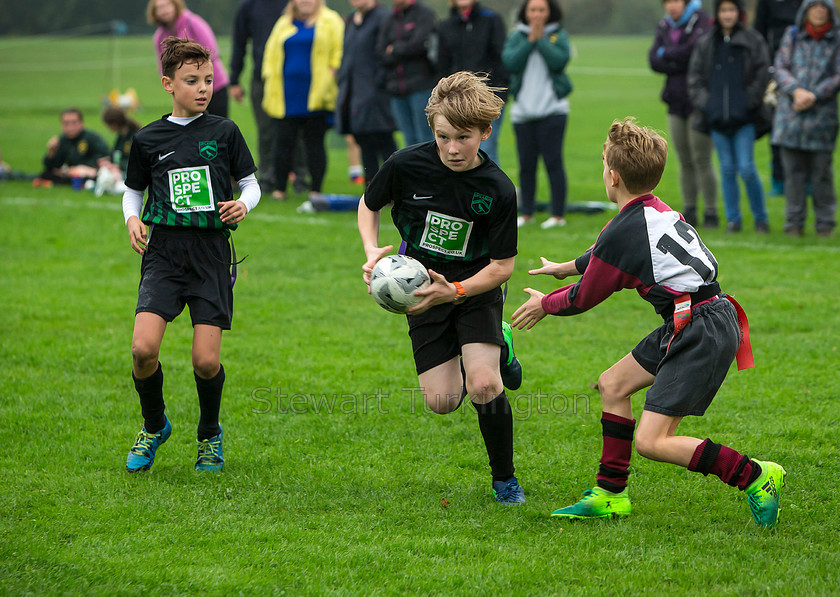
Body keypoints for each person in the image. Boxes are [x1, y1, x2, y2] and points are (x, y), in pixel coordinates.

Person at [511, 117, 786, 528]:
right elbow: (605, 252)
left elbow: (584, 297)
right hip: (700, 317)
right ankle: (610, 494)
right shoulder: (651, 208)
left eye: (604, 165)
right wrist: (565, 268)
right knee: (613, 384)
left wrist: (544, 305)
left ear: (613, 176)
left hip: (700, 328)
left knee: (652, 441)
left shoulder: (626, 228)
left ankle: (756, 475)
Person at [358, 72, 525, 504]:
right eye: (443, 136)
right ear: (432, 127)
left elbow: (503, 266)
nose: (452, 148)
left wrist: (457, 291)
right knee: (442, 400)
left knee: (484, 386)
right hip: (420, 289)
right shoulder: (406, 164)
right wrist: (372, 248)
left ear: (486, 133)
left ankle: (504, 479)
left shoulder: (498, 189)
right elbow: (369, 202)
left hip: (475, 287)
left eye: (464, 138)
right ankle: (493, 346)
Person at [121, 37, 260, 473]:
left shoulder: (225, 132)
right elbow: (132, 191)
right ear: (168, 84)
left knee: (205, 361)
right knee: (143, 350)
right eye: (191, 80)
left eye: (208, 79)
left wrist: (244, 204)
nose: (203, 88)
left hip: (211, 255)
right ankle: (154, 424)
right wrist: (132, 219)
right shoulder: (147, 138)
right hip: (163, 253)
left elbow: (250, 184)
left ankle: (209, 434)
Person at [688, 0, 771, 234]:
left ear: (739, 13)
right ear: (717, 13)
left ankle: (761, 218)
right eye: (723, 10)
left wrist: (748, 102)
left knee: (746, 168)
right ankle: (733, 219)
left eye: (732, 10)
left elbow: (762, 74)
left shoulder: (753, 41)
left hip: (744, 118)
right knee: (726, 169)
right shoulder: (707, 43)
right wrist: (709, 106)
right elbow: (695, 78)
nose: (728, 15)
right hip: (717, 121)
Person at [262, 0, 344, 203]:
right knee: (282, 143)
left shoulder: (331, 21)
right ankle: (280, 189)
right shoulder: (284, 22)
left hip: (316, 94)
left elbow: (339, 51)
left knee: (314, 143)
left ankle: (316, 189)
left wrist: (332, 74)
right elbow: (270, 54)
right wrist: (268, 77)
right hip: (286, 95)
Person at [771, 0, 840, 237]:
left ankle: (825, 223)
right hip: (791, 117)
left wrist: (813, 94)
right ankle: (793, 223)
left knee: (822, 174)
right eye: (815, 6)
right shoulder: (793, 35)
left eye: (824, 6)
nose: (819, 10)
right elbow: (780, 66)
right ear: (806, 10)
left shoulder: (836, 38)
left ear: (830, 11)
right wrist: (796, 90)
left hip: (823, 119)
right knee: (793, 175)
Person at [649, 0, 719, 228]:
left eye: (676, 1)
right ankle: (689, 209)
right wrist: (677, 58)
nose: (672, 6)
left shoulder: (701, 21)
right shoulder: (664, 25)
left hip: (698, 101)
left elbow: (696, 52)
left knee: (702, 159)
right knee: (683, 159)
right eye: (667, 2)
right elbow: (653, 60)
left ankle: (711, 211)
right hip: (675, 99)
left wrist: (667, 54)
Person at [502, 0, 572, 230]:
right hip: (523, 113)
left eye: (542, 10)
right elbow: (510, 61)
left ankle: (558, 215)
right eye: (533, 10)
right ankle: (528, 212)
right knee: (526, 165)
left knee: (554, 162)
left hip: (553, 111)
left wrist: (540, 39)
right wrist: (530, 40)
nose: (537, 14)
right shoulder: (517, 36)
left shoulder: (558, 36)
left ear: (550, 12)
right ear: (525, 12)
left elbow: (559, 61)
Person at [438, 0, 509, 166]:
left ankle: (491, 191)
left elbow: (501, 59)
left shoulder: (491, 20)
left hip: (487, 98)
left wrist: (499, 94)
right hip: (454, 100)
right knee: (455, 151)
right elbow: (442, 64)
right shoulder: (446, 25)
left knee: (485, 149)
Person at [229, 0, 289, 193]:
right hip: (262, 78)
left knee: (295, 130)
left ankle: (299, 177)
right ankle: (267, 177)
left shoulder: (292, 4)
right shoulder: (249, 6)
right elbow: (239, 42)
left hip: (291, 78)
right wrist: (235, 79)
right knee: (266, 131)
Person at [336, 0, 398, 184]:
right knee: (362, 138)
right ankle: (371, 187)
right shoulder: (351, 21)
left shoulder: (383, 18)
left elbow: (387, 55)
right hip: (352, 90)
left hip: (375, 91)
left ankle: (394, 185)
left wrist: (377, 82)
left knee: (382, 137)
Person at [148, 0, 231, 118]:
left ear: (175, 6)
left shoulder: (193, 22)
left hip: (215, 86)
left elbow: (212, 50)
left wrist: (194, 73)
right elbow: (162, 67)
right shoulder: (159, 37)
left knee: (218, 128)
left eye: (167, 6)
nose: (164, 10)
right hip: (186, 91)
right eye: (159, 8)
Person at [754, 0, 803, 196]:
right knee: (775, 128)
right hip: (774, 73)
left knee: (800, 128)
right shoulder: (766, 3)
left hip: (802, 70)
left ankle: (805, 181)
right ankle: (778, 179)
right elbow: (759, 32)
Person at [376, 0, 438, 147]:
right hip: (396, 89)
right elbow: (380, 52)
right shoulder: (389, 19)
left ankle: (431, 170)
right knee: (409, 140)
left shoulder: (423, 14)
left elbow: (420, 45)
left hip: (421, 86)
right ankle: (415, 170)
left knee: (426, 137)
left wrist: (394, 49)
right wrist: (404, 48)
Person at [36, 107, 109, 186]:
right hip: (70, 174)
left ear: (82, 123)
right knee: (46, 175)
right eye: (66, 123)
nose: (70, 127)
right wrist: (51, 152)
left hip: (89, 173)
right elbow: (52, 167)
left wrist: (81, 167)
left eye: (74, 123)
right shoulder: (62, 140)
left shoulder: (92, 138)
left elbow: (104, 156)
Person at [93, 107, 141, 196]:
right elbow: (116, 153)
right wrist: (107, 162)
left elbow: (135, 161)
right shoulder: (121, 136)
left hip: (131, 172)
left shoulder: (134, 137)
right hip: (121, 170)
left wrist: (117, 166)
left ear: (114, 123)